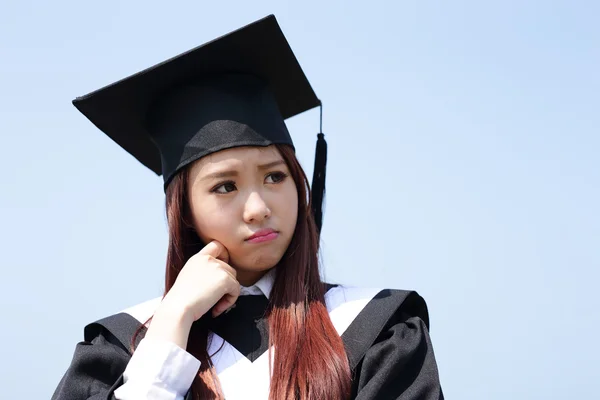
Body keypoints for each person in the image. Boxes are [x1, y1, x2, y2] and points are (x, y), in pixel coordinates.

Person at [52, 14, 444, 400]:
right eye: (225, 186)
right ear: (184, 211)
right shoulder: (120, 351)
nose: (257, 207)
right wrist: (171, 324)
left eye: (275, 177)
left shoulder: (377, 330)